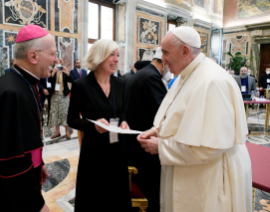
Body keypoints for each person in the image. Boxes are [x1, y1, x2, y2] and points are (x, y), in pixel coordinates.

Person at [137, 26, 252, 212]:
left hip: (211, 176)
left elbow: (210, 147)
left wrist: (161, 146)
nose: (162, 59)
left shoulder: (211, 81)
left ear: (185, 51)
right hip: (193, 170)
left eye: (165, 52)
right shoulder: (187, 74)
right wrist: (157, 130)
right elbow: (178, 113)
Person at [0, 24, 55, 212]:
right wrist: (37, 204)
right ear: (33, 56)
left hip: (12, 190)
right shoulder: (11, 92)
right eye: (52, 54)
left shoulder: (23, 84)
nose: (56, 60)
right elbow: (12, 165)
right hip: (2, 197)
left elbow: (22, 142)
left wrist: (37, 164)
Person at [67, 39, 132, 212]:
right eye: (111, 55)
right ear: (99, 56)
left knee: (118, 195)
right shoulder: (81, 85)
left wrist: (124, 121)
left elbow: (123, 112)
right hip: (95, 151)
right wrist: (93, 126)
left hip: (118, 148)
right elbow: (72, 120)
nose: (116, 60)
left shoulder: (121, 84)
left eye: (118, 55)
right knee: (96, 198)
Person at [124, 47, 168, 212]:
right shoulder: (151, 77)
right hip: (144, 147)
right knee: (154, 193)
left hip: (136, 140)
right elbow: (163, 113)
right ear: (164, 62)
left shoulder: (143, 74)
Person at [48, 58, 73, 139]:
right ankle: (57, 132)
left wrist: (67, 72)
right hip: (55, 96)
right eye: (56, 63)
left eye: (59, 63)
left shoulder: (64, 72)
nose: (58, 64)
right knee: (55, 113)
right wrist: (53, 72)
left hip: (64, 95)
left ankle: (67, 132)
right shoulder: (52, 72)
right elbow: (49, 81)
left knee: (65, 113)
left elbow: (73, 80)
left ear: (61, 64)